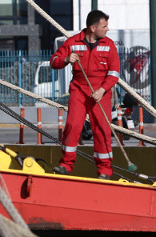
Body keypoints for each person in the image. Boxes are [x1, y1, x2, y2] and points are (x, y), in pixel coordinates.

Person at [51, 10, 120, 179]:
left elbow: (114, 73)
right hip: (79, 90)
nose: (107, 29)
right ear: (93, 27)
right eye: (104, 26)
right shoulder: (72, 42)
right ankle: (66, 165)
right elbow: (54, 61)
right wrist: (66, 59)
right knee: (73, 126)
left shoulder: (109, 45)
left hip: (101, 93)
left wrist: (102, 90)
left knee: (102, 130)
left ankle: (105, 170)